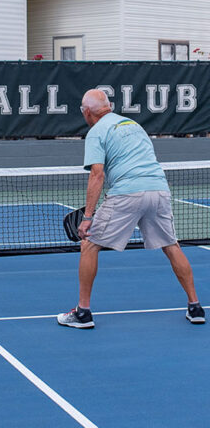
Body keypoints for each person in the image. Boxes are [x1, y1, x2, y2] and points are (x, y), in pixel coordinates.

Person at [57, 88, 205, 329]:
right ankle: (195, 307)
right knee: (171, 246)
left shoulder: (96, 132)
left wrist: (88, 217)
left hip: (127, 192)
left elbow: (97, 174)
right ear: (109, 106)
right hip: (158, 189)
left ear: (86, 113)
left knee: (89, 244)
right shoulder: (134, 125)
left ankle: (82, 313)